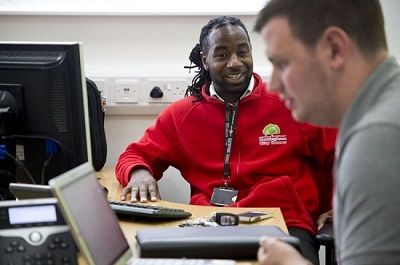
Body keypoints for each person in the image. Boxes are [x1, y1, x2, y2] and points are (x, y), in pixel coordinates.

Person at [116, 16, 336, 264]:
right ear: (205, 60)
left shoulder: (289, 101)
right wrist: (139, 173)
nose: (235, 63)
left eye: (242, 52)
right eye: (221, 55)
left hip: (284, 222)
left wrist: (337, 204)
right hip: (211, 223)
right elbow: (134, 155)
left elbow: (340, 153)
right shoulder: (183, 115)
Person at [254, 0, 400, 264]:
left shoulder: (378, 138)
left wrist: (291, 263)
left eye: (282, 63)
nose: (273, 85)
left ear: (334, 49)